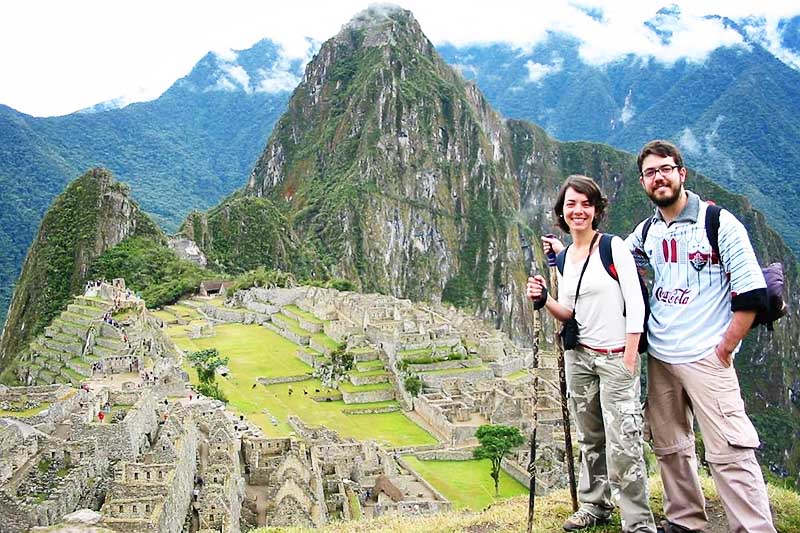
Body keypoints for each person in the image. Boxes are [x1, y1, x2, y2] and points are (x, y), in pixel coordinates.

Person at [625, 140, 775, 533]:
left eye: (665, 169)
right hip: (661, 356)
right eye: (650, 173)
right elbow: (618, 266)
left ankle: (752, 527)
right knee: (670, 444)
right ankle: (686, 519)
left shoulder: (719, 224)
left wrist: (724, 349)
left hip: (707, 357)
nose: (659, 178)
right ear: (643, 182)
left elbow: (752, 293)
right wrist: (565, 254)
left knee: (730, 449)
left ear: (681, 173)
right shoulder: (648, 232)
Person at [526, 175, 655, 532]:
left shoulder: (614, 249)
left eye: (585, 204)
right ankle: (595, 504)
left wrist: (629, 358)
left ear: (596, 210)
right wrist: (543, 298)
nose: (578, 210)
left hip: (616, 358)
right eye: (571, 204)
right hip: (580, 357)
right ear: (562, 212)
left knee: (623, 441)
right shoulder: (566, 258)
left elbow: (635, 305)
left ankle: (639, 523)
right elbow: (569, 311)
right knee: (590, 437)